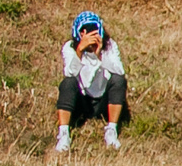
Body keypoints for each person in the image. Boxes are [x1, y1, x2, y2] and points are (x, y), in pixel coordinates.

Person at [52, 12, 128, 153]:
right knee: (67, 83)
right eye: (85, 32)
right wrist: (80, 50)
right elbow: (70, 72)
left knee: (118, 81)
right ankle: (63, 134)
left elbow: (119, 71)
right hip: (81, 100)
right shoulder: (69, 47)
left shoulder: (110, 46)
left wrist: (99, 54)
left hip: (103, 100)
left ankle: (111, 130)